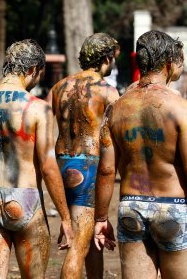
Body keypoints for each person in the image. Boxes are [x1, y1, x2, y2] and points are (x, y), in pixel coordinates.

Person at [94, 30, 187, 278]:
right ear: (168, 63)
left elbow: (107, 169)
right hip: (173, 207)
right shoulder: (183, 109)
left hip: (131, 207)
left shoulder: (116, 108)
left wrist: (101, 217)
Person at [0, 39, 73, 278]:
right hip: (25, 199)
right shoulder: (37, 108)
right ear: (32, 70)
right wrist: (65, 218)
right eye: (39, 75)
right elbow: (48, 166)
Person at [46, 33, 119, 279]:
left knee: (88, 239)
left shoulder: (58, 88)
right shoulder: (109, 92)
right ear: (106, 58)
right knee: (78, 245)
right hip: (89, 165)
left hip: (61, 162)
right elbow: (112, 142)